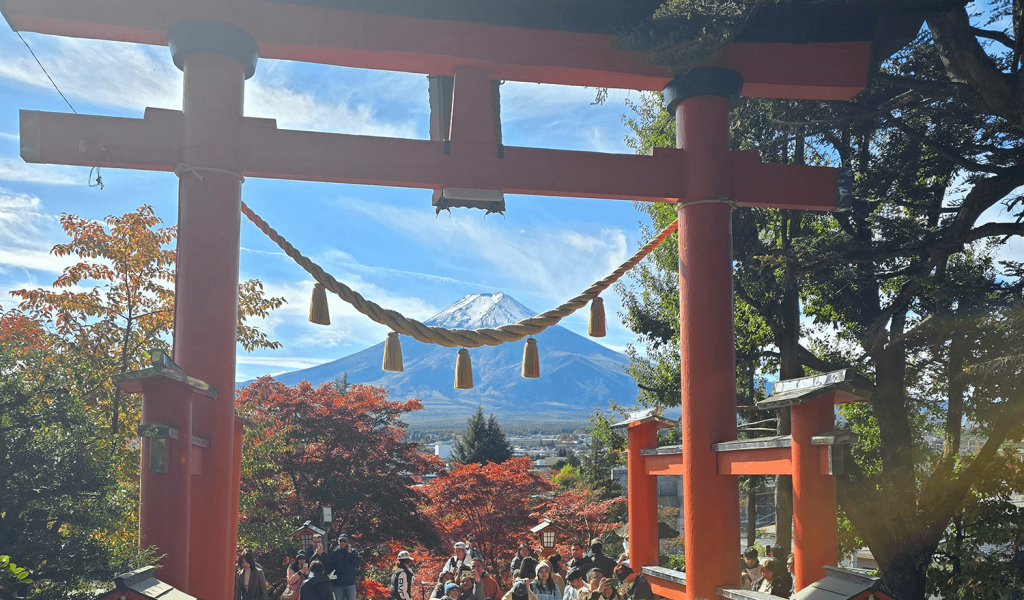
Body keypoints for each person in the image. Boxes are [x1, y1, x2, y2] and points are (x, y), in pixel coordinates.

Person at [325, 535, 361, 600]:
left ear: (347, 542)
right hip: (338, 584)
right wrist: (329, 573)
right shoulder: (334, 553)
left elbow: (357, 562)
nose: (343, 543)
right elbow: (329, 565)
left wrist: (350, 553)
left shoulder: (352, 552)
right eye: (341, 541)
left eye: (345, 541)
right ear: (338, 542)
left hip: (350, 583)